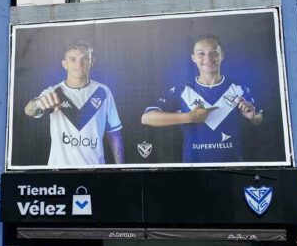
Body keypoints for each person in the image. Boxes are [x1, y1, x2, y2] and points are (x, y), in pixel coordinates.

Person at [141, 35, 263, 163]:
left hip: (232, 166)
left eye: (214, 53)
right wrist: (189, 117)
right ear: (193, 58)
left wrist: (253, 117)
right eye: (201, 54)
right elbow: (147, 118)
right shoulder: (182, 90)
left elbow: (258, 118)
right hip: (194, 168)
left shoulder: (239, 88)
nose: (208, 58)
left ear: (222, 55)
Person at [24, 41, 125, 167]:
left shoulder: (103, 91)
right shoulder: (55, 92)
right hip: (60, 171)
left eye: (84, 59)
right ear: (64, 64)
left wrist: (122, 169)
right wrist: (38, 103)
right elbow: (29, 110)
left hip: (94, 170)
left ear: (92, 61)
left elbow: (114, 133)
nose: (79, 64)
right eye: (73, 59)